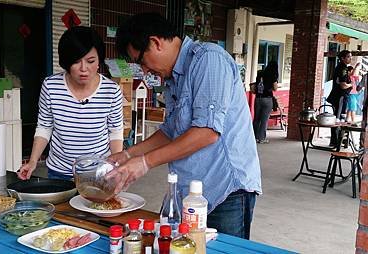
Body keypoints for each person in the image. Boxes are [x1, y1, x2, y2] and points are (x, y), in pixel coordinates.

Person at [110, 12, 262, 239]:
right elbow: (172, 131)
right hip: (187, 190)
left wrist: (144, 163)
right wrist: (127, 155)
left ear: (155, 43)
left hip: (224, 190)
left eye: (141, 61)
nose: (144, 70)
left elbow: (206, 133)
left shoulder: (209, 60)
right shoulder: (173, 78)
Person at [17, 26, 124, 180]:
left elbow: (115, 132)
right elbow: (45, 127)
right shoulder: (51, 86)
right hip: (59, 172)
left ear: (99, 60)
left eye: (90, 61)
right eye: (76, 62)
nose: (83, 69)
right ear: (66, 62)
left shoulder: (111, 90)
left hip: (98, 172)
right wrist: (33, 161)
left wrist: (115, 167)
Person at [327, 50, 352, 147]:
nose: (350, 58)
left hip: (340, 97)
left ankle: (337, 140)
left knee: (340, 118)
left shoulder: (342, 67)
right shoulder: (343, 68)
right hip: (340, 97)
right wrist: (351, 84)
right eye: (348, 57)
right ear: (342, 58)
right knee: (338, 119)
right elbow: (343, 85)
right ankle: (335, 141)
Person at [251, 61, 279, 144]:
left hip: (258, 98)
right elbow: (275, 88)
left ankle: (253, 137)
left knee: (256, 119)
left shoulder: (260, 73)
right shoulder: (273, 74)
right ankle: (261, 138)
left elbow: (256, 84)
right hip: (267, 99)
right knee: (264, 120)